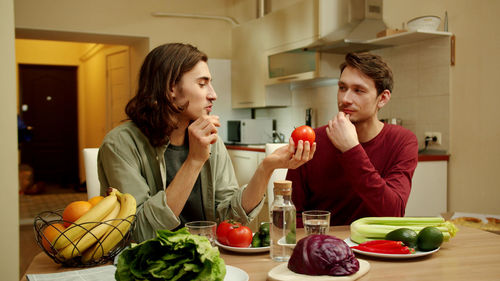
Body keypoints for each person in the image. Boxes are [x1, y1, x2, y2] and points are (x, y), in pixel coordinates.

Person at [98, 43, 316, 242]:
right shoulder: (120, 145)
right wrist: (194, 161)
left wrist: (266, 168)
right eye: (202, 84)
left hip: (205, 257)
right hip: (148, 262)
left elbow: (229, 218)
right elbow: (139, 231)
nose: (214, 95)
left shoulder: (212, 140)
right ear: (170, 89)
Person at [287, 52, 418, 227]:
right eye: (342, 88)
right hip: (321, 247)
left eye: (358, 90)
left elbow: (393, 212)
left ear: (383, 98)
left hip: (375, 248)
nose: (345, 99)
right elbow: (290, 215)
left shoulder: (403, 141)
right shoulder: (311, 140)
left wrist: (351, 149)